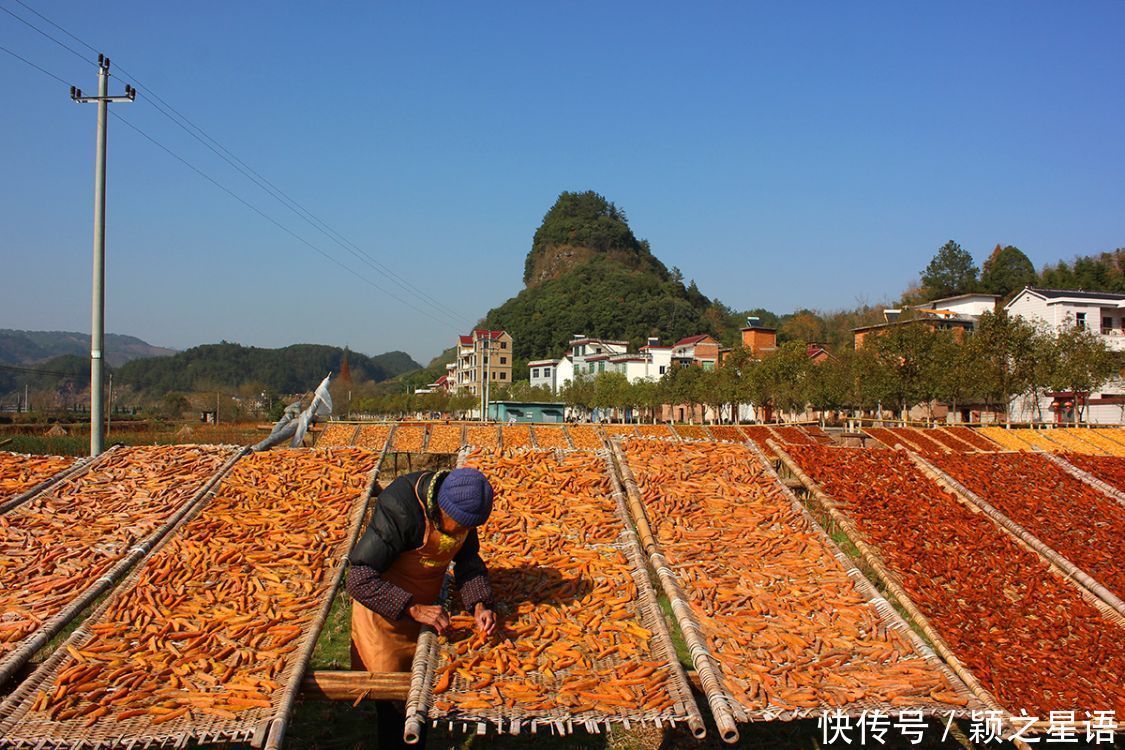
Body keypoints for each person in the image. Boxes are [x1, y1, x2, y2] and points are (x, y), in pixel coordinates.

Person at [346, 467, 497, 749]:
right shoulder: (399, 508)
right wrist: (412, 608)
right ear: (441, 508)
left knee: (421, 695)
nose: (463, 533)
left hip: (425, 614)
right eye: (460, 525)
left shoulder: (461, 512)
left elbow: (468, 560)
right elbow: (358, 578)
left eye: (469, 528)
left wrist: (480, 603)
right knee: (392, 703)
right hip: (384, 615)